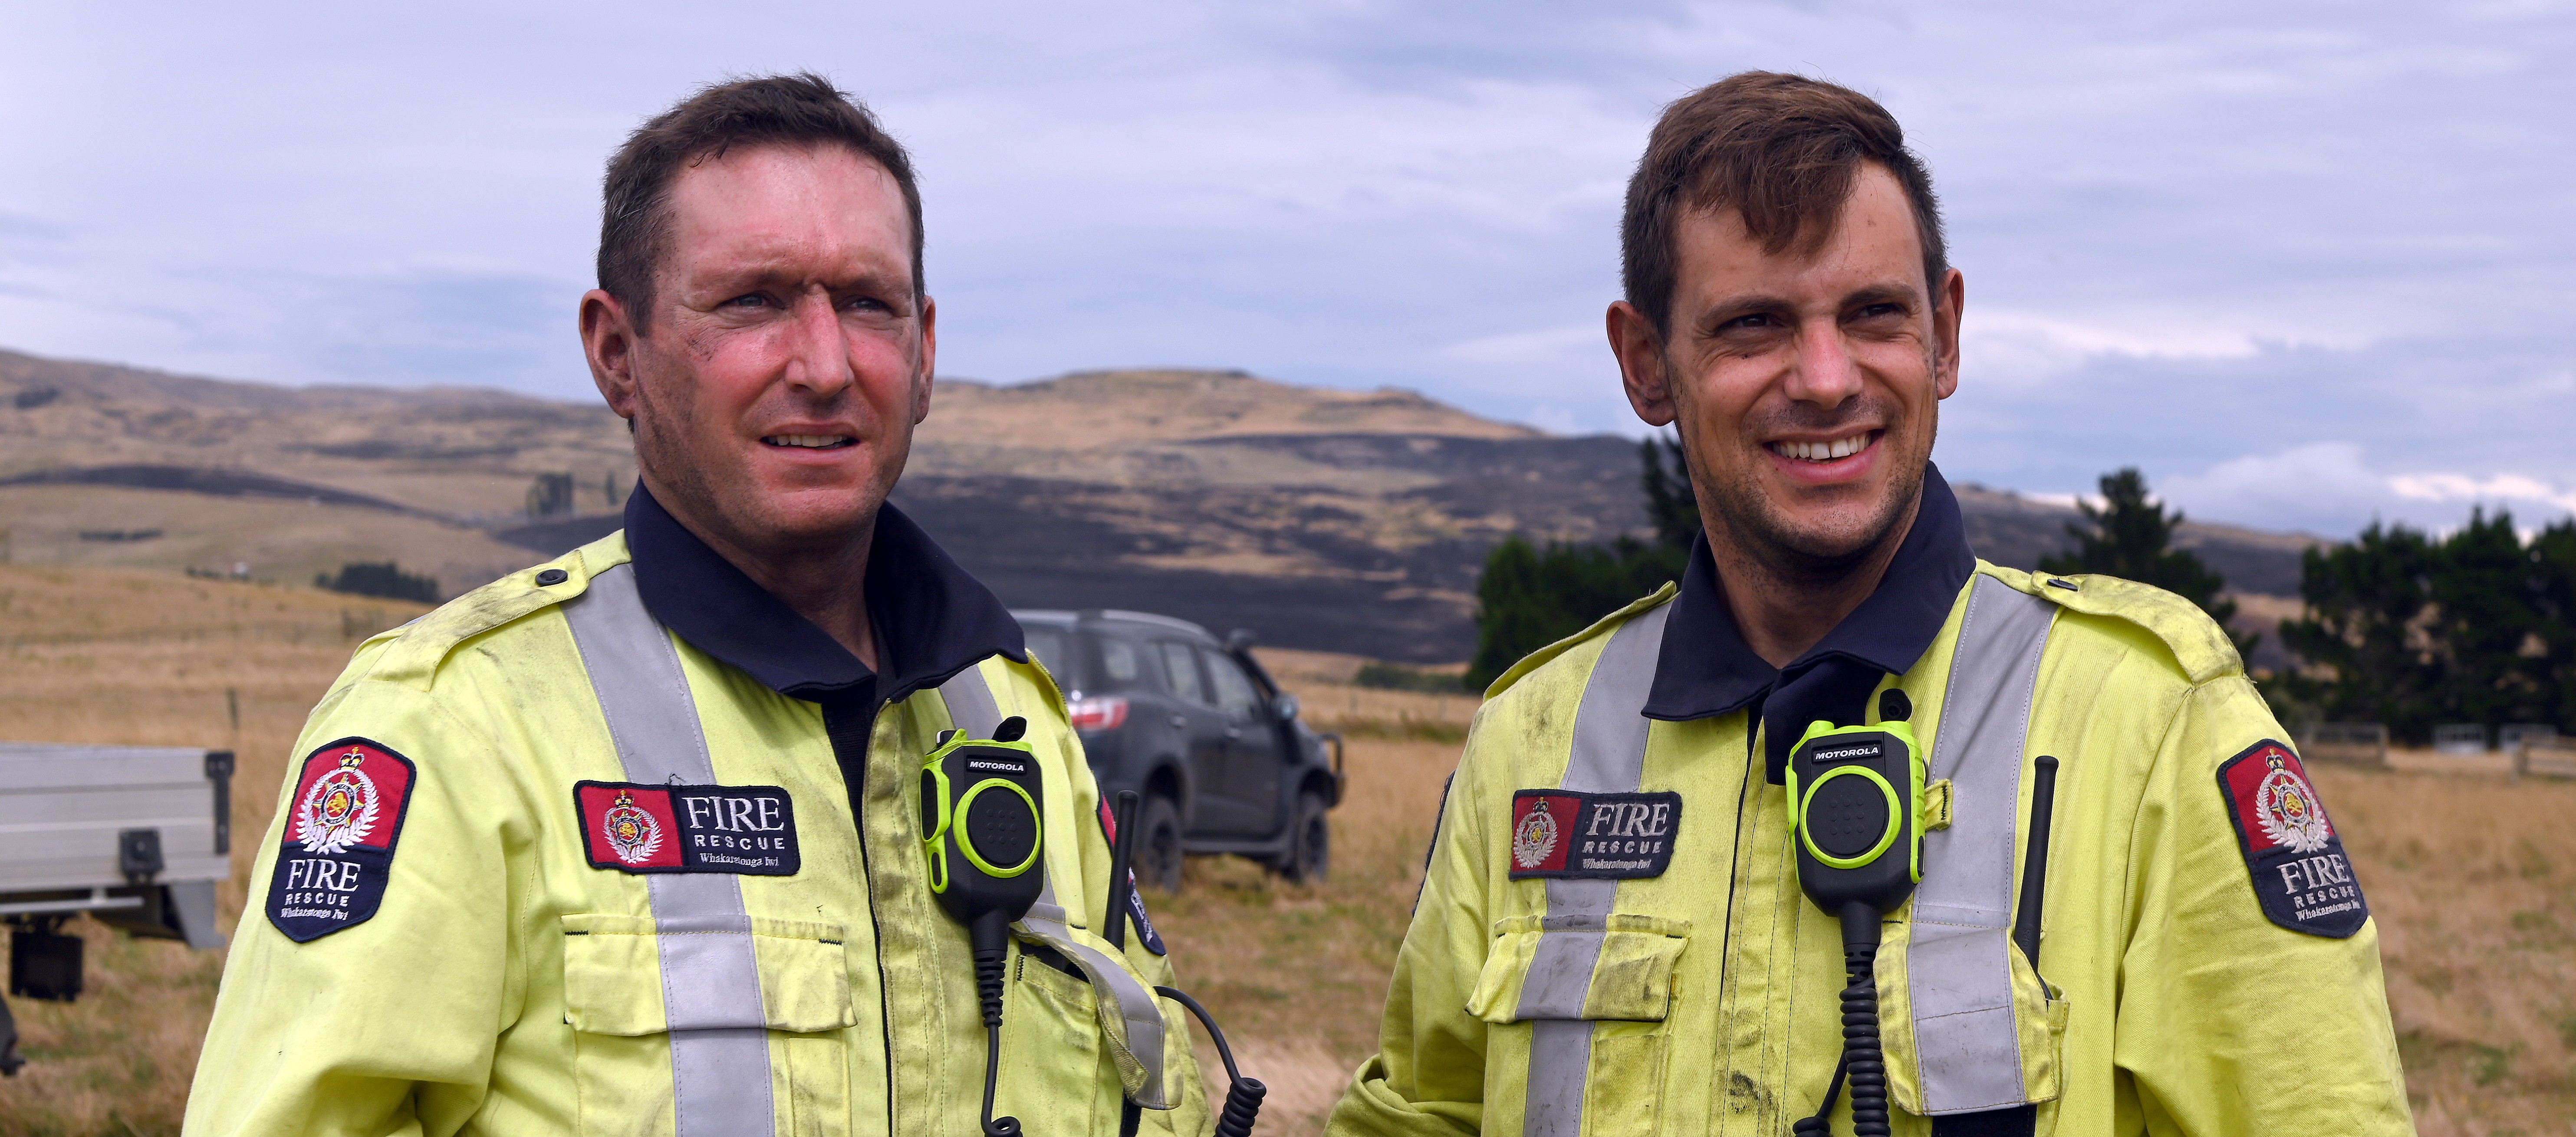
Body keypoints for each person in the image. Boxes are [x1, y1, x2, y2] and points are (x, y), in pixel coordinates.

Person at [1328, 72, 2409, 1136]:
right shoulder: (1533, 741)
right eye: (1753, 325)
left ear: (1943, 331)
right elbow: (1423, 1113)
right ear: (1646, 363)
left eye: (1873, 313)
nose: (1827, 376)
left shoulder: (2151, 724)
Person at [185, 74, 1208, 1137]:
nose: (824, 365)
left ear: (925, 348)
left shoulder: (1015, 718)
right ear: (617, 354)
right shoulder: (452, 724)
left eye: (868, 302)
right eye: (751, 301)